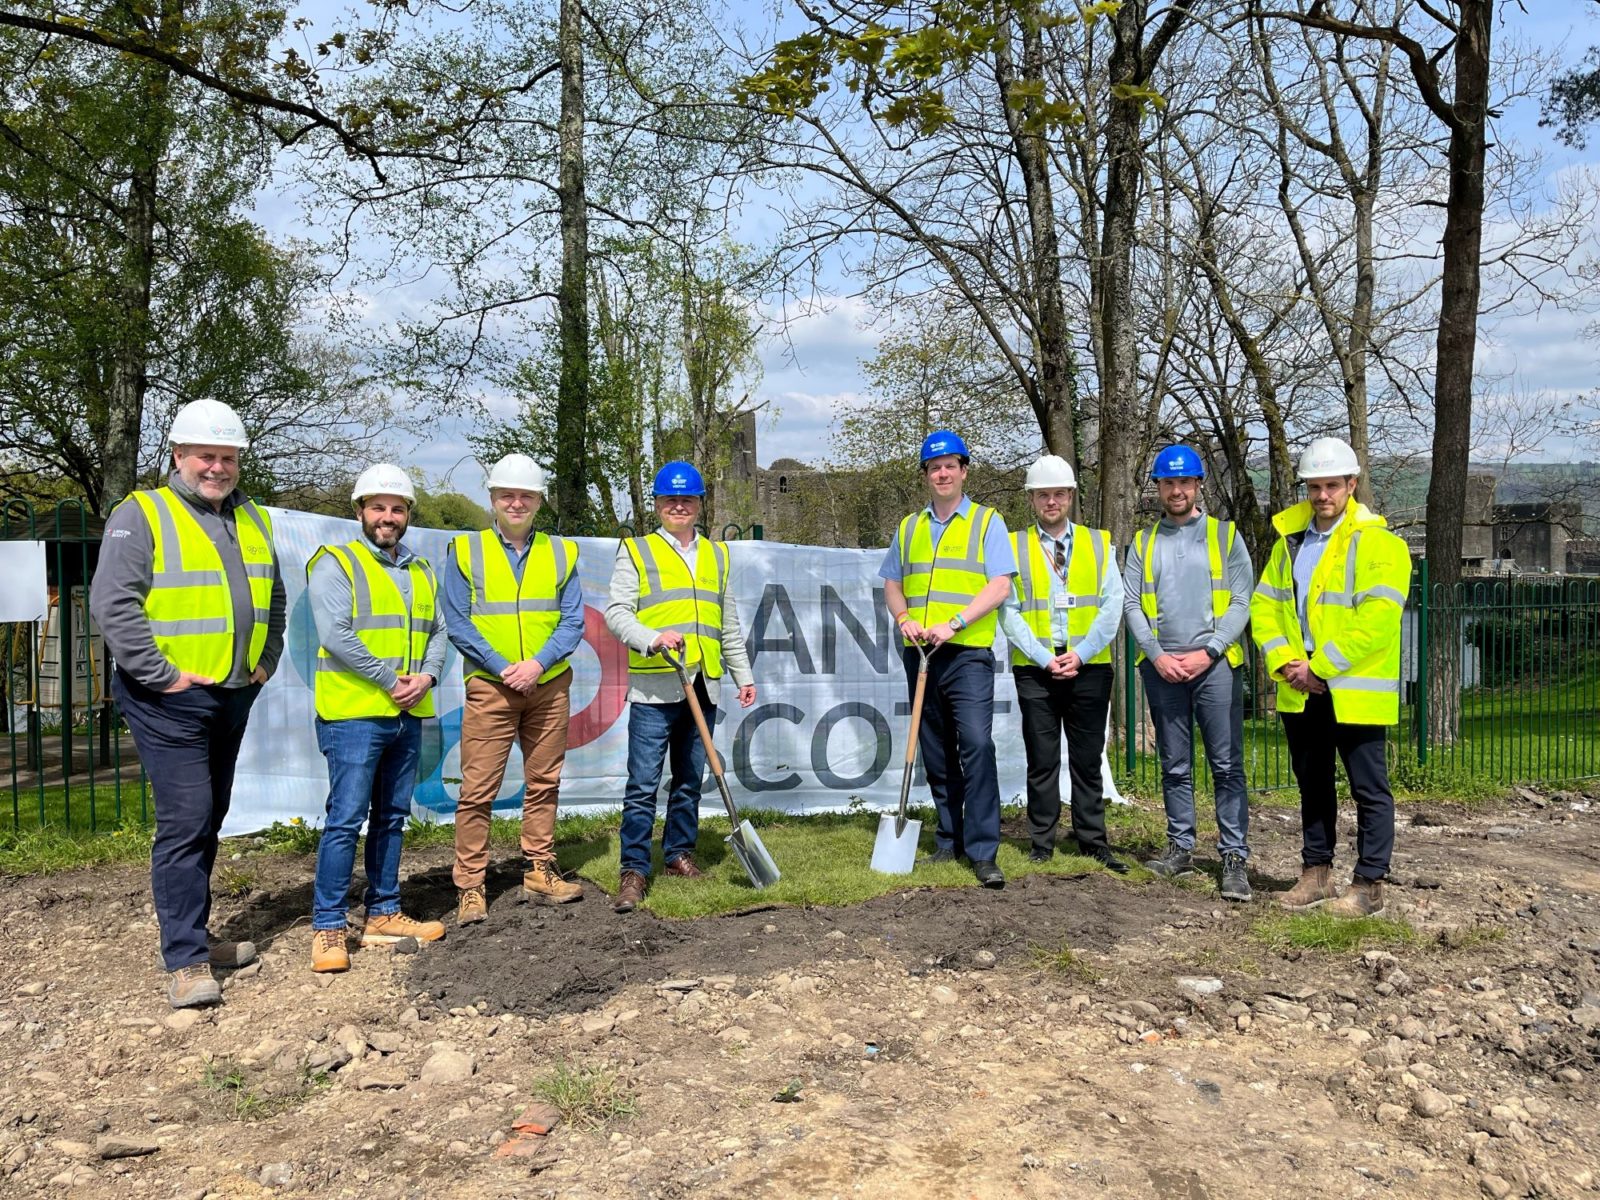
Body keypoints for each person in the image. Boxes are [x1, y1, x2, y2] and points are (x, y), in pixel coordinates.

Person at [89, 400, 285, 1009]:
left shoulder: (250, 517)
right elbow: (112, 603)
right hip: (166, 698)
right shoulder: (142, 513)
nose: (218, 468)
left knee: (212, 812)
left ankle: (194, 933)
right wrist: (162, 675)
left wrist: (266, 661)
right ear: (179, 455)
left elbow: (273, 597)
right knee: (187, 818)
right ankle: (185, 958)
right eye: (207, 456)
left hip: (232, 692)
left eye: (228, 458)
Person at [1252, 437, 1412, 917]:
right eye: (1314, 486)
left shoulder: (1381, 545)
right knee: (1312, 783)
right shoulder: (1291, 544)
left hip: (1352, 691)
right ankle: (1316, 874)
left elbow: (1378, 621)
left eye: (1331, 486)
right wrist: (1286, 663)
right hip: (1303, 690)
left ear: (1351, 485)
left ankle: (1369, 886)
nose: (1322, 495)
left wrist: (1319, 666)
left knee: (1369, 789)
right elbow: (1266, 607)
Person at [307, 465, 449, 972]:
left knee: (392, 817)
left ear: (408, 514)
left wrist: (427, 679)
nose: (388, 517)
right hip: (354, 713)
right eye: (378, 507)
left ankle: (384, 912)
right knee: (345, 819)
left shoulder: (422, 569)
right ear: (360, 511)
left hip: (407, 711)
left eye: (397, 508)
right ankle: (327, 927)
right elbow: (336, 635)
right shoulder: (336, 563)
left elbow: (438, 632)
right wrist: (393, 682)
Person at [604, 461, 756, 913]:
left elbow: (727, 624)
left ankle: (678, 854)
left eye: (687, 499)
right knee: (643, 784)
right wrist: (652, 639)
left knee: (690, 780)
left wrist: (743, 675)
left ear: (699, 504)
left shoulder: (718, 555)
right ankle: (633, 868)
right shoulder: (636, 551)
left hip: (703, 686)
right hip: (655, 689)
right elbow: (616, 613)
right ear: (656, 505)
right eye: (670, 500)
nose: (678, 506)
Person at [444, 454, 586, 925]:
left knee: (544, 782)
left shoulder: (561, 552)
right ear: (492, 499)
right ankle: (470, 886)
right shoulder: (465, 551)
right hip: (492, 686)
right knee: (477, 789)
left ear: (539, 501)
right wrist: (506, 668)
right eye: (508, 494)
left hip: (548, 684)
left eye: (526, 495)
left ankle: (539, 868)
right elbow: (459, 625)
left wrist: (538, 664)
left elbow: (573, 622)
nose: (517, 502)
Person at [881, 431, 1016, 888]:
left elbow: (999, 585)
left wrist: (953, 623)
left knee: (976, 744)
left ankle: (982, 851)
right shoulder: (909, 527)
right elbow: (892, 583)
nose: (942, 473)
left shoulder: (986, 521)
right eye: (934, 467)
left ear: (963, 471)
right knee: (935, 752)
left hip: (967, 654)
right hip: (920, 655)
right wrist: (903, 619)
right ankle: (948, 838)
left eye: (950, 465)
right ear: (926, 475)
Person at [1123, 443, 1254, 902]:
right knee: (1174, 764)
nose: (1176, 490)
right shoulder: (1143, 542)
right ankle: (1180, 847)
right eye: (1167, 482)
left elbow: (1242, 600)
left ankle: (1234, 857)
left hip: (1213, 667)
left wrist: (1211, 651)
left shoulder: (1225, 536)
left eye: (1184, 482)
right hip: (1163, 669)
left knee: (1226, 765)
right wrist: (1157, 655)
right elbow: (1131, 603)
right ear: (1157, 487)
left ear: (1199, 485)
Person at [997, 455, 1128, 873]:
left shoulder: (1097, 543)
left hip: (1089, 665)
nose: (1050, 501)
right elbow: (1008, 610)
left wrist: (1082, 653)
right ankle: (1042, 842)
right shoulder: (1015, 546)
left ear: (1070, 496)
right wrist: (1044, 658)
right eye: (1042, 495)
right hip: (1036, 668)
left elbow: (1113, 604)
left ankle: (1093, 841)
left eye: (1058, 494)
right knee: (1043, 757)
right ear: (1032, 499)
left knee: (1088, 759)